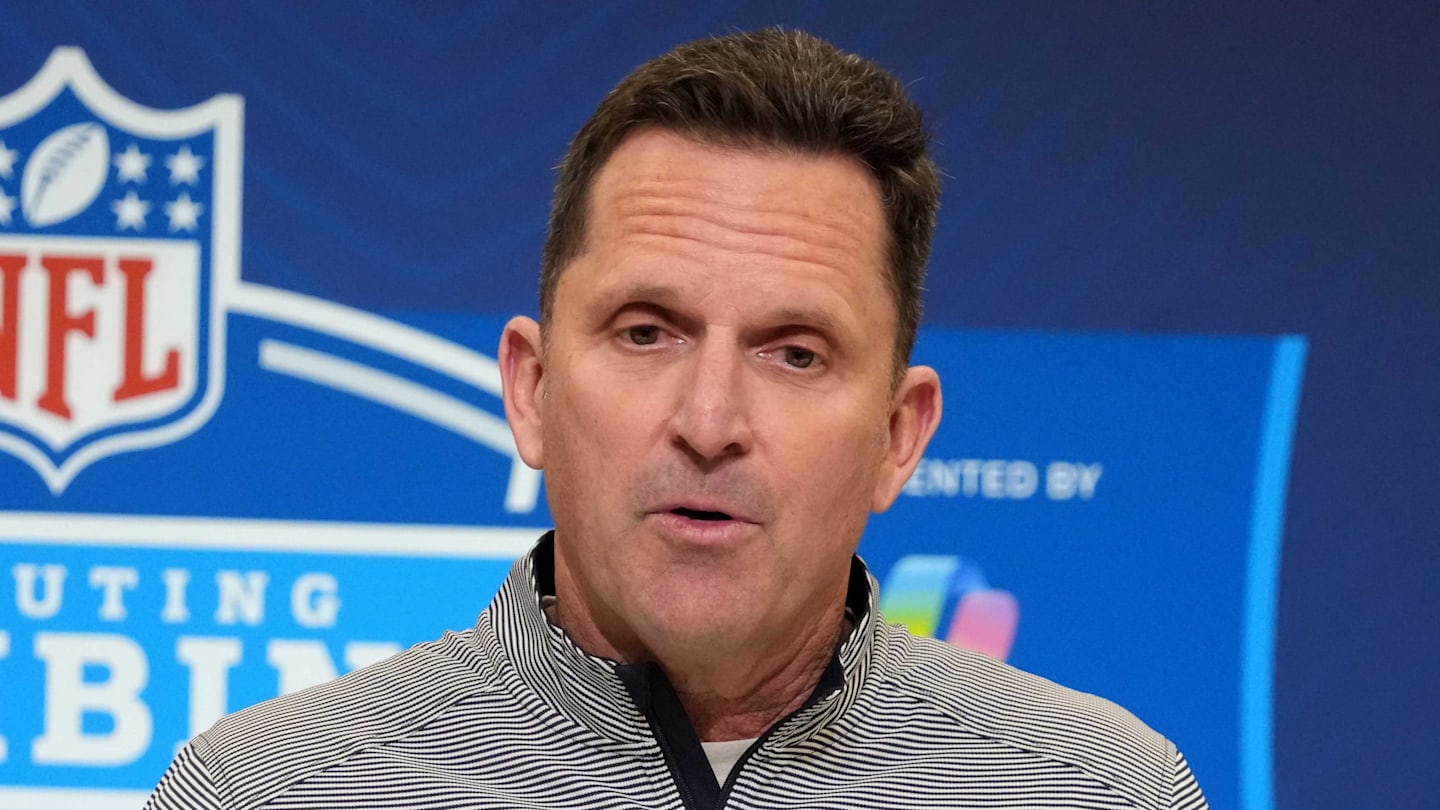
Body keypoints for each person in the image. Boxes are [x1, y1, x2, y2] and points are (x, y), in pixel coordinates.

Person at [146, 29, 1209, 809]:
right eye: (647, 332)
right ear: (533, 387)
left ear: (899, 436)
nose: (710, 420)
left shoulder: (1105, 790)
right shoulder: (267, 790)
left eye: (795, 353)